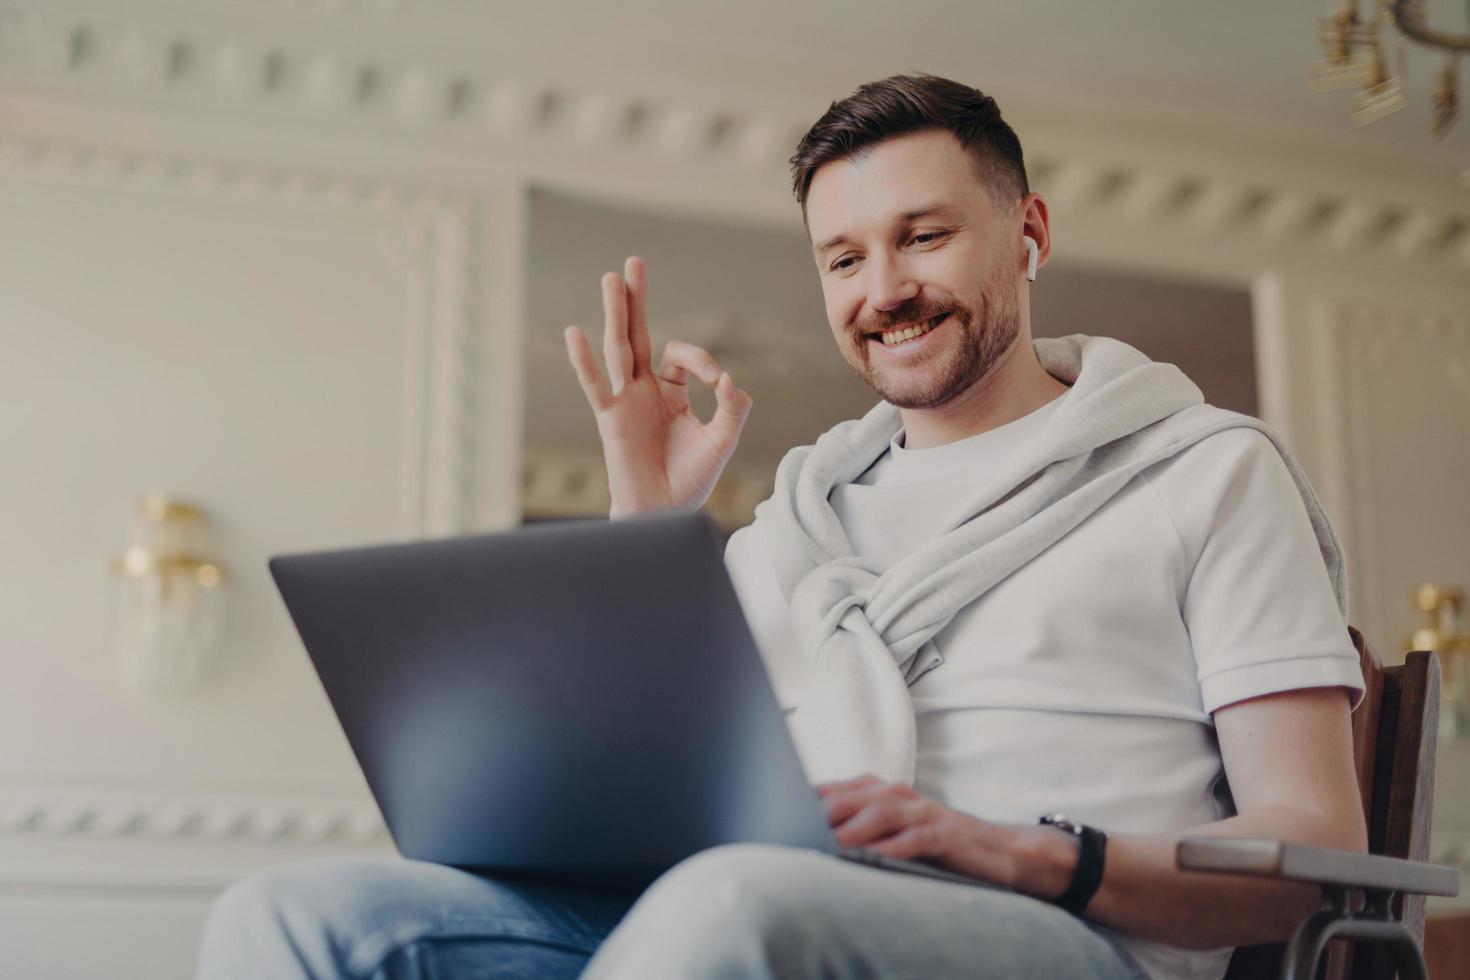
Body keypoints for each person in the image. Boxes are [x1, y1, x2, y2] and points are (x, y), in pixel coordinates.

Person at [198, 74, 1368, 980]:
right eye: (845, 257)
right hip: (750, 903)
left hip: (1061, 931)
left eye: (924, 235)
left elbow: (1311, 849)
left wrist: (1014, 844)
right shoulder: (795, 526)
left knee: (732, 903)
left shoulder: (1205, 472)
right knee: (296, 917)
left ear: (1030, 233)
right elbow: (631, 784)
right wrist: (644, 517)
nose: (884, 289)